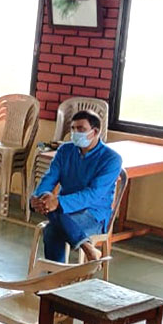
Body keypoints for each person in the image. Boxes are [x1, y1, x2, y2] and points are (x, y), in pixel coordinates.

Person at [30, 110, 122, 263]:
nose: (75, 133)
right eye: (73, 129)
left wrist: (58, 202)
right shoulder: (65, 150)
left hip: (93, 213)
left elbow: (93, 194)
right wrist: (39, 196)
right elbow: (50, 176)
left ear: (95, 132)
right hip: (63, 207)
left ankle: (55, 279)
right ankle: (86, 246)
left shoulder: (111, 159)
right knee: (52, 211)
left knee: (52, 230)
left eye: (81, 129)